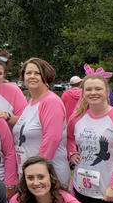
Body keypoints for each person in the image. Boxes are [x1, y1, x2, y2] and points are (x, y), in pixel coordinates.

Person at [66, 74, 113, 203]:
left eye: (98, 88)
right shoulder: (77, 117)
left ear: (106, 91)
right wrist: (71, 153)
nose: (93, 93)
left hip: (109, 193)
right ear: (83, 93)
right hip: (83, 189)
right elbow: (69, 137)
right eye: (88, 89)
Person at [12, 57, 70, 186]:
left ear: (46, 76)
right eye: (28, 73)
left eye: (37, 73)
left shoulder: (51, 102)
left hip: (47, 177)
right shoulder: (31, 103)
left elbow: (51, 139)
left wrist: (36, 170)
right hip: (31, 175)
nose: (32, 76)